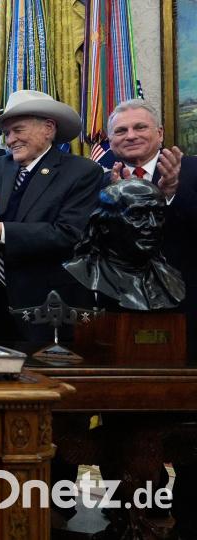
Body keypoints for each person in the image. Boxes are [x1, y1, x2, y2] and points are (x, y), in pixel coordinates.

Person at [0, 89, 103, 341]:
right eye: (6, 132)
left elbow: (69, 234)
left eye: (18, 130)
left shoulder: (82, 172)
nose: (10, 139)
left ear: (48, 128)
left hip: (46, 306)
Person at [105, 98, 197, 358]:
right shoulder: (101, 182)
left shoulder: (191, 171)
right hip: (120, 312)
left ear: (159, 133)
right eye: (121, 131)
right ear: (111, 141)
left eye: (140, 127)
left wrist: (169, 196)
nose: (131, 136)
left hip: (186, 309)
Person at [63, 179, 184, 310]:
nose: (153, 225)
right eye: (137, 215)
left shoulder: (171, 278)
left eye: (159, 214)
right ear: (104, 225)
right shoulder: (81, 273)